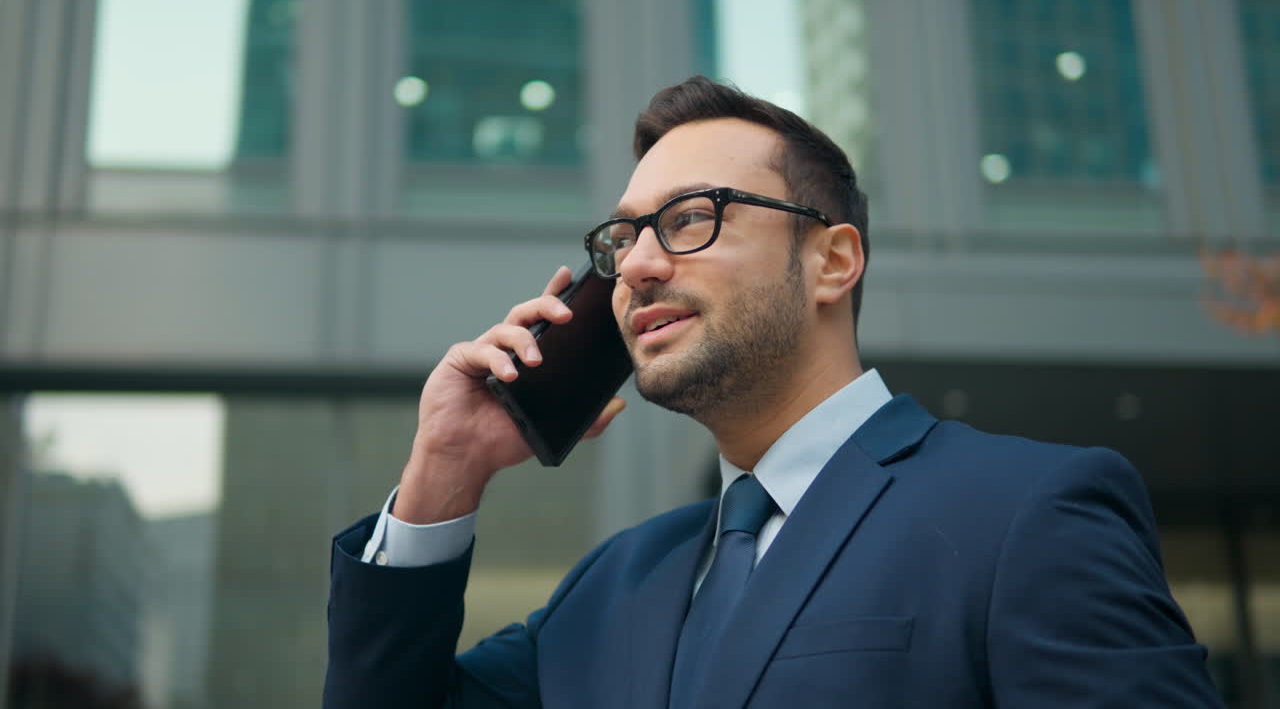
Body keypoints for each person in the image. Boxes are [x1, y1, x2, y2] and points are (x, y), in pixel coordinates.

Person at [324, 76, 1222, 708]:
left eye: (688, 219)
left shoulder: (1028, 514)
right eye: (625, 236)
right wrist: (447, 468)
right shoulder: (611, 583)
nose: (634, 264)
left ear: (832, 261)